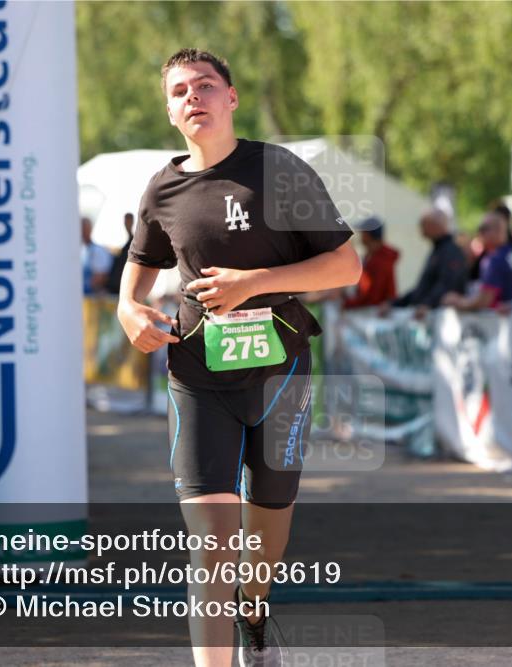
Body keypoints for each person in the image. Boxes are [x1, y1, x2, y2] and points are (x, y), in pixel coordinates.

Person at [116, 48, 360, 667]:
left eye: (205, 86)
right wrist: (129, 312)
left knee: (269, 524)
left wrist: (252, 283)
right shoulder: (164, 187)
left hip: (280, 372)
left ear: (232, 98)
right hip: (198, 377)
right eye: (179, 91)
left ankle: (254, 607)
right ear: (169, 110)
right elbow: (137, 274)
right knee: (211, 548)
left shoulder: (277, 170)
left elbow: (344, 265)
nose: (192, 97)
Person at [386, 208, 466, 315]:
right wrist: (394, 304)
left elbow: (448, 283)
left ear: (435, 225)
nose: (421, 230)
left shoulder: (450, 251)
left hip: (440, 317)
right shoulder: (439, 250)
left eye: (423, 225)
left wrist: (428, 304)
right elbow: (423, 287)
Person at [442, 211, 512, 310]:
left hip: (496, 320)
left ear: (499, 230)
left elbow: (483, 302)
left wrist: (457, 302)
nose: (479, 233)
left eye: (483, 229)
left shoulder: (494, 260)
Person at [342, 219, 399, 309]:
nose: (360, 236)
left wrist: (347, 303)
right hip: (371, 309)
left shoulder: (381, 261)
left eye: (363, 233)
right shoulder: (371, 256)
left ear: (367, 235)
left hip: (377, 312)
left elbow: (373, 297)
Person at [81, 216, 114, 295]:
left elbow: (102, 276)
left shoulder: (99, 251)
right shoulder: (79, 249)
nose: (83, 231)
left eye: (85, 228)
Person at [106, 212, 136, 296]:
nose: (127, 223)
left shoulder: (133, 241)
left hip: (122, 285)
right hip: (116, 285)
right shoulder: (126, 240)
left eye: (128, 220)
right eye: (126, 221)